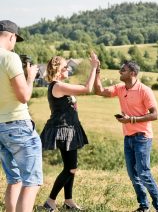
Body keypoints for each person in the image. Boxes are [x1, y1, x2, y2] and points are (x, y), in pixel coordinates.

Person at [94, 61, 158, 212]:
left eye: (124, 70)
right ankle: (143, 206)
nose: (120, 71)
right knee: (133, 175)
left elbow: (155, 114)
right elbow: (99, 91)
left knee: (144, 174)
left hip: (142, 138)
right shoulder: (120, 88)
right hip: (128, 137)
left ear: (133, 73)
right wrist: (97, 70)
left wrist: (131, 120)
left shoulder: (144, 90)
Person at [40, 52, 99, 211]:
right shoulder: (57, 85)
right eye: (66, 67)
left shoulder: (60, 85)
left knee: (70, 166)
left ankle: (68, 200)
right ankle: (50, 201)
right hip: (63, 130)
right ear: (58, 69)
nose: (68, 69)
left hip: (70, 129)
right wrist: (94, 67)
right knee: (70, 168)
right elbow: (87, 88)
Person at [0, 20, 42, 212]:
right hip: (17, 123)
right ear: (11, 36)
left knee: (14, 180)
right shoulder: (10, 57)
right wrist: (30, 77)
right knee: (31, 181)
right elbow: (24, 96)